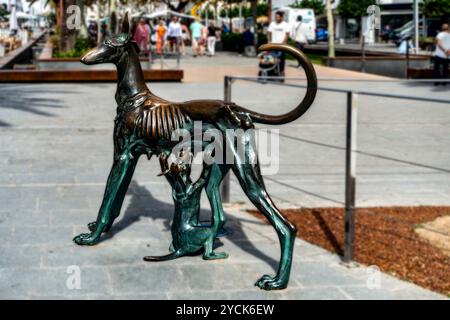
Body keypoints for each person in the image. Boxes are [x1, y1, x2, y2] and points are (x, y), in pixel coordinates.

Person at [268, 11, 290, 75]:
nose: (276, 18)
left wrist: (284, 42)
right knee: (272, 59)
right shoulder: (272, 24)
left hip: (281, 46)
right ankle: (272, 72)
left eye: (278, 17)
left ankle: (281, 72)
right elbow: (269, 33)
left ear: (281, 17)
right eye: (276, 17)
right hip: (273, 45)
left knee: (281, 60)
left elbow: (287, 34)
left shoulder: (285, 25)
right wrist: (269, 41)